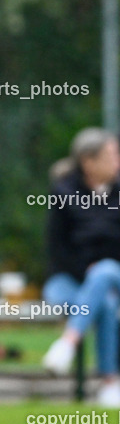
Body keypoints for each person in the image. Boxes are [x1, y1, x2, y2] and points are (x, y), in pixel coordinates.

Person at [42, 128, 120, 407]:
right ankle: (110, 382)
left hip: (116, 275)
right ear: (89, 161)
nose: (117, 162)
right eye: (111, 155)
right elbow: (57, 249)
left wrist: (97, 271)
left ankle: (68, 342)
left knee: (107, 270)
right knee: (104, 302)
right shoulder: (63, 192)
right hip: (68, 279)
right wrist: (87, 273)